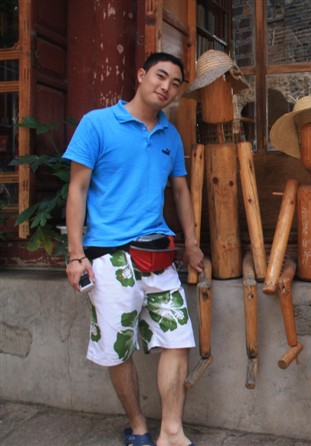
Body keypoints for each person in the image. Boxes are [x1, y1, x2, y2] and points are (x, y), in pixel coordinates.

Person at [64, 52, 203, 446]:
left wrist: (192, 244)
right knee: (117, 349)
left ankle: (171, 431)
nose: (166, 87)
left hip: (159, 255)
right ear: (141, 75)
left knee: (178, 340)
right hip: (109, 256)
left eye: (175, 83)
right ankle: (139, 425)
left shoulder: (169, 135)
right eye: (160, 76)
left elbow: (180, 190)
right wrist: (75, 255)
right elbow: (77, 188)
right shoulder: (97, 123)